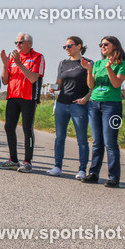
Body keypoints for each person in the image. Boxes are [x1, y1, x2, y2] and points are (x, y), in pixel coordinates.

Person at [83, 35, 125, 187]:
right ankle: (93, 173)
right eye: (101, 45)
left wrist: (109, 67)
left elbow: (116, 84)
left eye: (105, 44)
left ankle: (113, 177)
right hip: (94, 103)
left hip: (111, 105)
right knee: (97, 142)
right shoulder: (98, 63)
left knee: (110, 142)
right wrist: (89, 71)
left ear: (115, 46)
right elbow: (91, 86)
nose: (102, 47)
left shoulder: (123, 64)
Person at [0, 33, 45, 173]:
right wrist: (5, 65)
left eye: (20, 42)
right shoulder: (13, 58)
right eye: (16, 42)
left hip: (28, 98)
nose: (17, 45)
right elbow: (5, 81)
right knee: (8, 127)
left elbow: (33, 78)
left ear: (29, 43)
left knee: (27, 128)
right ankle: (13, 160)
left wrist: (18, 63)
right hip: (13, 96)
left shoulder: (38, 57)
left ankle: (27, 162)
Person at [49, 36, 91, 179]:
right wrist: (53, 88)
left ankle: (82, 169)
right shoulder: (63, 63)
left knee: (82, 139)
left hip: (78, 105)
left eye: (69, 46)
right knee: (59, 137)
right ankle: (57, 167)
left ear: (79, 46)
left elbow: (93, 85)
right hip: (62, 103)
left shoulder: (88, 63)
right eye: (65, 47)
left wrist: (86, 98)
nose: (66, 49)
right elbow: (59, 84)